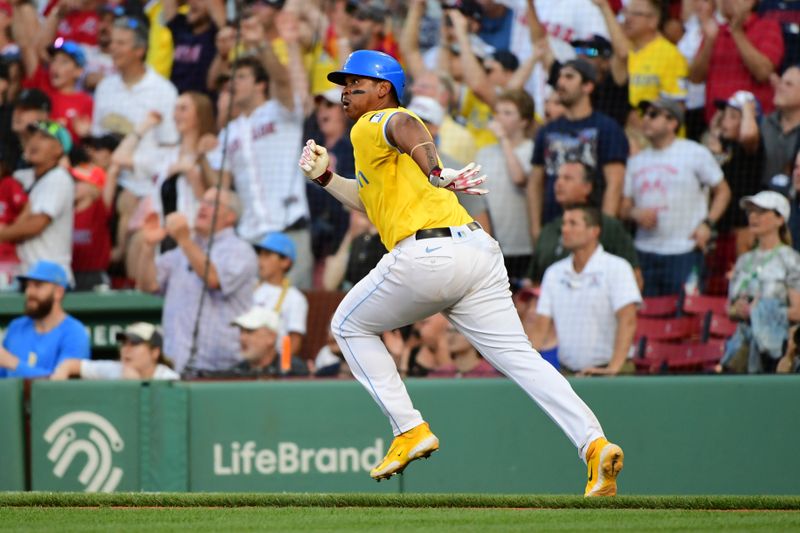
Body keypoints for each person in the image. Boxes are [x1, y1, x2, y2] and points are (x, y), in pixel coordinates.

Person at [299, 49, 624, 495]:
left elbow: (406, 126)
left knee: (347, 325)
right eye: (342, 84)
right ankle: (595, 445)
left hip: (428, 256)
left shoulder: (378, 121)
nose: (345, 91)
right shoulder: (378, 149)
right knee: (522, 359)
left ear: (383, 89)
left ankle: (409, 429)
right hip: (475, 253)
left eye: (356, 83)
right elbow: (368, 201)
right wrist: (326, 178)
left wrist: (434, 169)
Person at [135, 187, 258, 373]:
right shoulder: (181, 252)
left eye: (213, 204)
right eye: (203, 201)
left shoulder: (240, 250)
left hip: (222, 369)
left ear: (230, 216)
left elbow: (214, 279)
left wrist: (184, 239)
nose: (203, 207)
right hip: (176, 363)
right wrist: (148, 247)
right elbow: (147, 285)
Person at [621, 98, 731, 297]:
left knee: (685, 318)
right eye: (645, 114)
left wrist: (708, 224)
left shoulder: (694, 152)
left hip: (685, 250)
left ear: (673, 123)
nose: (646, 119)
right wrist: (634, 213)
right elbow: (623, 206)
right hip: (644, 251)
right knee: (646, 319)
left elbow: (723, 190)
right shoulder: (635, 161)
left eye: (654, 115)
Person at [533, 204, 641, 375]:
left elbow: (628, 320)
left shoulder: (618, 268)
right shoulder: (553, 272)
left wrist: (613, 368)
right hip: (568, 374)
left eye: (573, 223)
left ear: (594, 231)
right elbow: (540, 327)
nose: (565, 229)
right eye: (564, 223)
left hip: (613, 371)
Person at [529, 58, 629, 239]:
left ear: (588, 86)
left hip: (589, 228)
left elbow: (615, 183)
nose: (560, 82)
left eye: (569, 77)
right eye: (559, 77)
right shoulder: (547, 130)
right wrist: (536, 230)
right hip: (553, 228)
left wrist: (603, 229)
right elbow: (535, 183)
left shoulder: (606, 128)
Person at [721, 191, 800, 373]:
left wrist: (759, 311)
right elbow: (729, 308)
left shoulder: (791, 259)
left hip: (775, 349)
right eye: (751, 212)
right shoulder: (744, 260)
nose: (753, 217)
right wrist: (738, 310)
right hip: (742, 347)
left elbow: (798, 311)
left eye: (761, 212)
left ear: (779, 220)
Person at [530, 158, 641, 287]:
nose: (559, 183)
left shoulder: (608, 227)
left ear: (587, 187)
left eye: (567, 178)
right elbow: (533, 280)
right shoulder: (548, 230)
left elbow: (635, 277)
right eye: (558, 178)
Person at [0, 120, 75, 282]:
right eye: (33, 136)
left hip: (52, 279)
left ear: (59, 149)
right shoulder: (23, 177)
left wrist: (2, 233)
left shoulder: (59, 178)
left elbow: (36, 224)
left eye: (44, 137)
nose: (34, 141)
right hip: (26, 275)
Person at [689, 0, 784, 123]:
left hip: (754, 125)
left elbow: (764, 73)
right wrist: (709, 41)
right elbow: (695, 78)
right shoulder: (715, 30)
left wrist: (737, 32)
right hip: (717, 125)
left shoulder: (768, 26)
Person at [476, 89, 535, 280]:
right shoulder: (483, 152)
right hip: (490, 244)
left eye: (508, 113)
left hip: (521, 244)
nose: (500, 118)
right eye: (498, 112)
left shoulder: (531, 149)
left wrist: (504, 139)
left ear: (524, 121)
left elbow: (519, 178)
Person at [0, 261, 89, 378]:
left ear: (58, 292)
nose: (29, 292)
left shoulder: (75, 332)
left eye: (37, 285)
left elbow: (61, 385)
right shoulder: (16, 327)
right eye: (28, 286)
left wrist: (13, 363)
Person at [594, 0, 688, 108]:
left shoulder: (670, 55)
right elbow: (619, 77)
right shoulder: (630, 50)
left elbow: (677, 105)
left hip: (656, 122)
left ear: (653, 20)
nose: (628, 19)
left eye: (636, 14)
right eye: (626, 13)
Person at [51, 322, 179, 380]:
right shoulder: (115, 369)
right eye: (124, 343)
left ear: (155, 353)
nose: (126, 349)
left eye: (134, 344)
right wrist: (62, 371)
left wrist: (136, 386)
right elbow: (73, 365)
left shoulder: (169, 379)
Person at [253, 232, 308, 359]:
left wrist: (280, 366)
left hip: (273, 363)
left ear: (285, 262)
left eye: (267, 255)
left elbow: (294, 341)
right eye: (260, 255)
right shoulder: (250, 289)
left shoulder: (295, 298)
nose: (260, 260)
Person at [228, 305, 309, 377]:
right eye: (241, 331)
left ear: (271, 337)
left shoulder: (294, 372)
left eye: (250, 331)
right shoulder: (235, 373)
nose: (242, 338)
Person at [71, 163, 114, 291]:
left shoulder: (100, 207)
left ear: (93, 186)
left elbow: (113, 172)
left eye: (78, 181)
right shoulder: (66, 210)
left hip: (94, 276)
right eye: (72, 181)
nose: (73, 185)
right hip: (70, 275)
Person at [761, 65, 800, 182]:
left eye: (788, 84)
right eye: (781, 82)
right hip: (760, 196)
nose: (780, 87)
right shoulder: (764, 123)